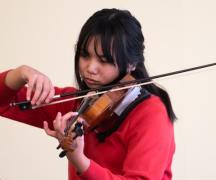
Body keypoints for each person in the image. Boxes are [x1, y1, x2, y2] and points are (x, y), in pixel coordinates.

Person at [0, 8, 176, 179]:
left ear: (131, 63)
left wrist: (80, 161)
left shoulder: (151, 113)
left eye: (104, 60)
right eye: (85, 55)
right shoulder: (77, 104)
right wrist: (22, 73)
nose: (90, 68)